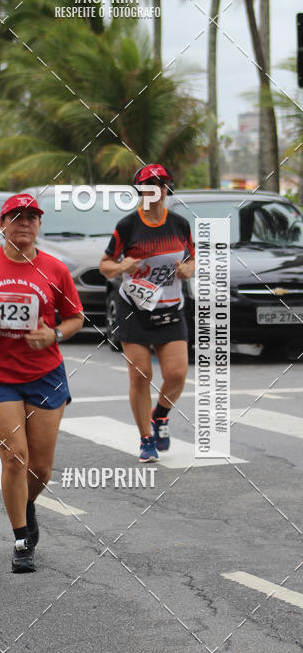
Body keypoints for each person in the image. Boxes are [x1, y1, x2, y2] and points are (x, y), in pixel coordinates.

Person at [0, 193, 84, 574]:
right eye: (17, 217)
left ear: (39, 225)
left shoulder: (56, 270)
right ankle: (22, 539)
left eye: (32, 218)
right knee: (14, 457)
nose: (24, 223)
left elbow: (75, 318)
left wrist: (54, 334)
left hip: (44, 374)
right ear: (2, 224)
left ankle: (25, 502)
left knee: (40, 468)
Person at [99, 165, 195, 462]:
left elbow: (192, 259)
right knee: (141, 375)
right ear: (139, 190)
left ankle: (161, 415)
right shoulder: (128, 226)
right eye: (148, 184)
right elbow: (105, 265)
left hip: (169, 308)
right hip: (134, 309)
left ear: (168, 188)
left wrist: (188, 269)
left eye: (161, 184)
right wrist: (121, 267)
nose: (155, 189)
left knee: (177, 374)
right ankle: (145, 439)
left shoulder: (179, 224)